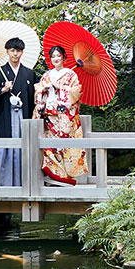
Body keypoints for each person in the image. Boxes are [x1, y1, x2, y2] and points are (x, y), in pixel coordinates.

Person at [0, 37, 37, 186]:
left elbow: (36, 97)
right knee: (6, 147)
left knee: (25, 146)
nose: (15, 54)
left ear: (22, 52)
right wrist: (2, 89)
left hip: (24, 117)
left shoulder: (29, 74)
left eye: (18, 51)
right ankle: (6, 183)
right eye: (12, 51)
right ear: (7, 52)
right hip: (5, 117)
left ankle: (26, 182)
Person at [34, 45, 87, 184]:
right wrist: (43, 89)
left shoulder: (70, 74)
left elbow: (75, 94)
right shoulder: (46, 75)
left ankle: (66, 177)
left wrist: (61, 87)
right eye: (53, 57)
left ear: (64, 57)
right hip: (49, 116)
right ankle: (54, 176)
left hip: (63, 118)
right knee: (49, 145)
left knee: (63, 145)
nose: (56, 59)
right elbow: (38, 91)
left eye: (58, 56)